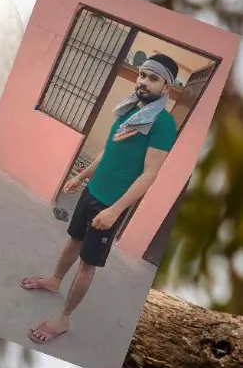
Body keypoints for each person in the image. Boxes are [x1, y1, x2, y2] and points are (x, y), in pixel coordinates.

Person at [21, 53, 179, 345]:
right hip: (92, 193)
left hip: (111, 205)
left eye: (153, 78)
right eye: (143, 75)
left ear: (166, 87)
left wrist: (115, 211)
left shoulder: (163, 124)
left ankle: (64, 317)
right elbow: (109, 151)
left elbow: (149, 175)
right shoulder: (130, 109)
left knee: (87, 263)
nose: (144, 81)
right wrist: (82, 177)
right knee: (73, 241)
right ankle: (55, 280)